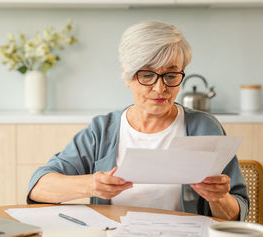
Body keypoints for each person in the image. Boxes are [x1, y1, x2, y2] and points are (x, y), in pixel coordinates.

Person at [27, 21, 249, 221]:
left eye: (171, 76)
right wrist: (91, 185)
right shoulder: (102, 131)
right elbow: (38, 188)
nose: (160, 88)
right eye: (147, 75)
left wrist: (218, 198)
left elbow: (236, 213)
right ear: (127, 75)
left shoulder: (204, 128)